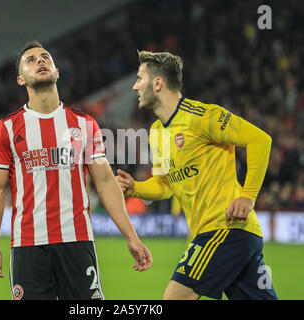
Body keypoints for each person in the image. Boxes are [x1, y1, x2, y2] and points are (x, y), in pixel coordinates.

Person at [0, 41, 152, 300]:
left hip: (77, 240)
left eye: (45, 57)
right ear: (20, 80)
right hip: (28, 245)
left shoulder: (84, 125)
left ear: (57, 71)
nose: (40, 61)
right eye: (30, 59)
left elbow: (106, 183)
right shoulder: (6, 129)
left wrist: (131, 236)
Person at [116, 50, 278, 300]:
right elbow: (165, 185)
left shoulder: (202, 117)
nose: (135, 86)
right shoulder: (157, 132)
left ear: (158, 83)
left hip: (224, 229)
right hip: (236, 236)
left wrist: (248, 196)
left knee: (174, 298)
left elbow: (259, 140)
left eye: (140, 78)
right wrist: (135, 187)